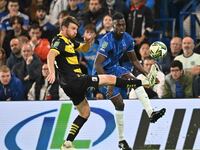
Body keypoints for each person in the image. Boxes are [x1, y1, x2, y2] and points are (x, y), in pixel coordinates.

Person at [47, 16, 165, 150]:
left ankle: (67, 143)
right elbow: (51, 55)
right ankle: (138, 84)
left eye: (76, 29)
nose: (76, 32)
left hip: (70, 86)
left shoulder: (69, 42)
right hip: (77, 80)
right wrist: (51, 72)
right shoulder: (59, 41)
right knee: (111, 80)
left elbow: (84, 49)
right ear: (63, 28)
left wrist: (87, 42)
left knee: (84, 113)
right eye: (73, 29)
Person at [94, 12, 165, 150]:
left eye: (123, 24)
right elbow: (97, 65)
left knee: (136, 82)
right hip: (102, 73)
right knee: (120, 104)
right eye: (118, 25)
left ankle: (151, 113)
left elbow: (134, 60)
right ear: (113, 26)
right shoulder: (106, 40)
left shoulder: (128, 38)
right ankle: (121, 140)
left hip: (114, 68)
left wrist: (148, 73)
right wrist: (108, 82)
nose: (121, 27)